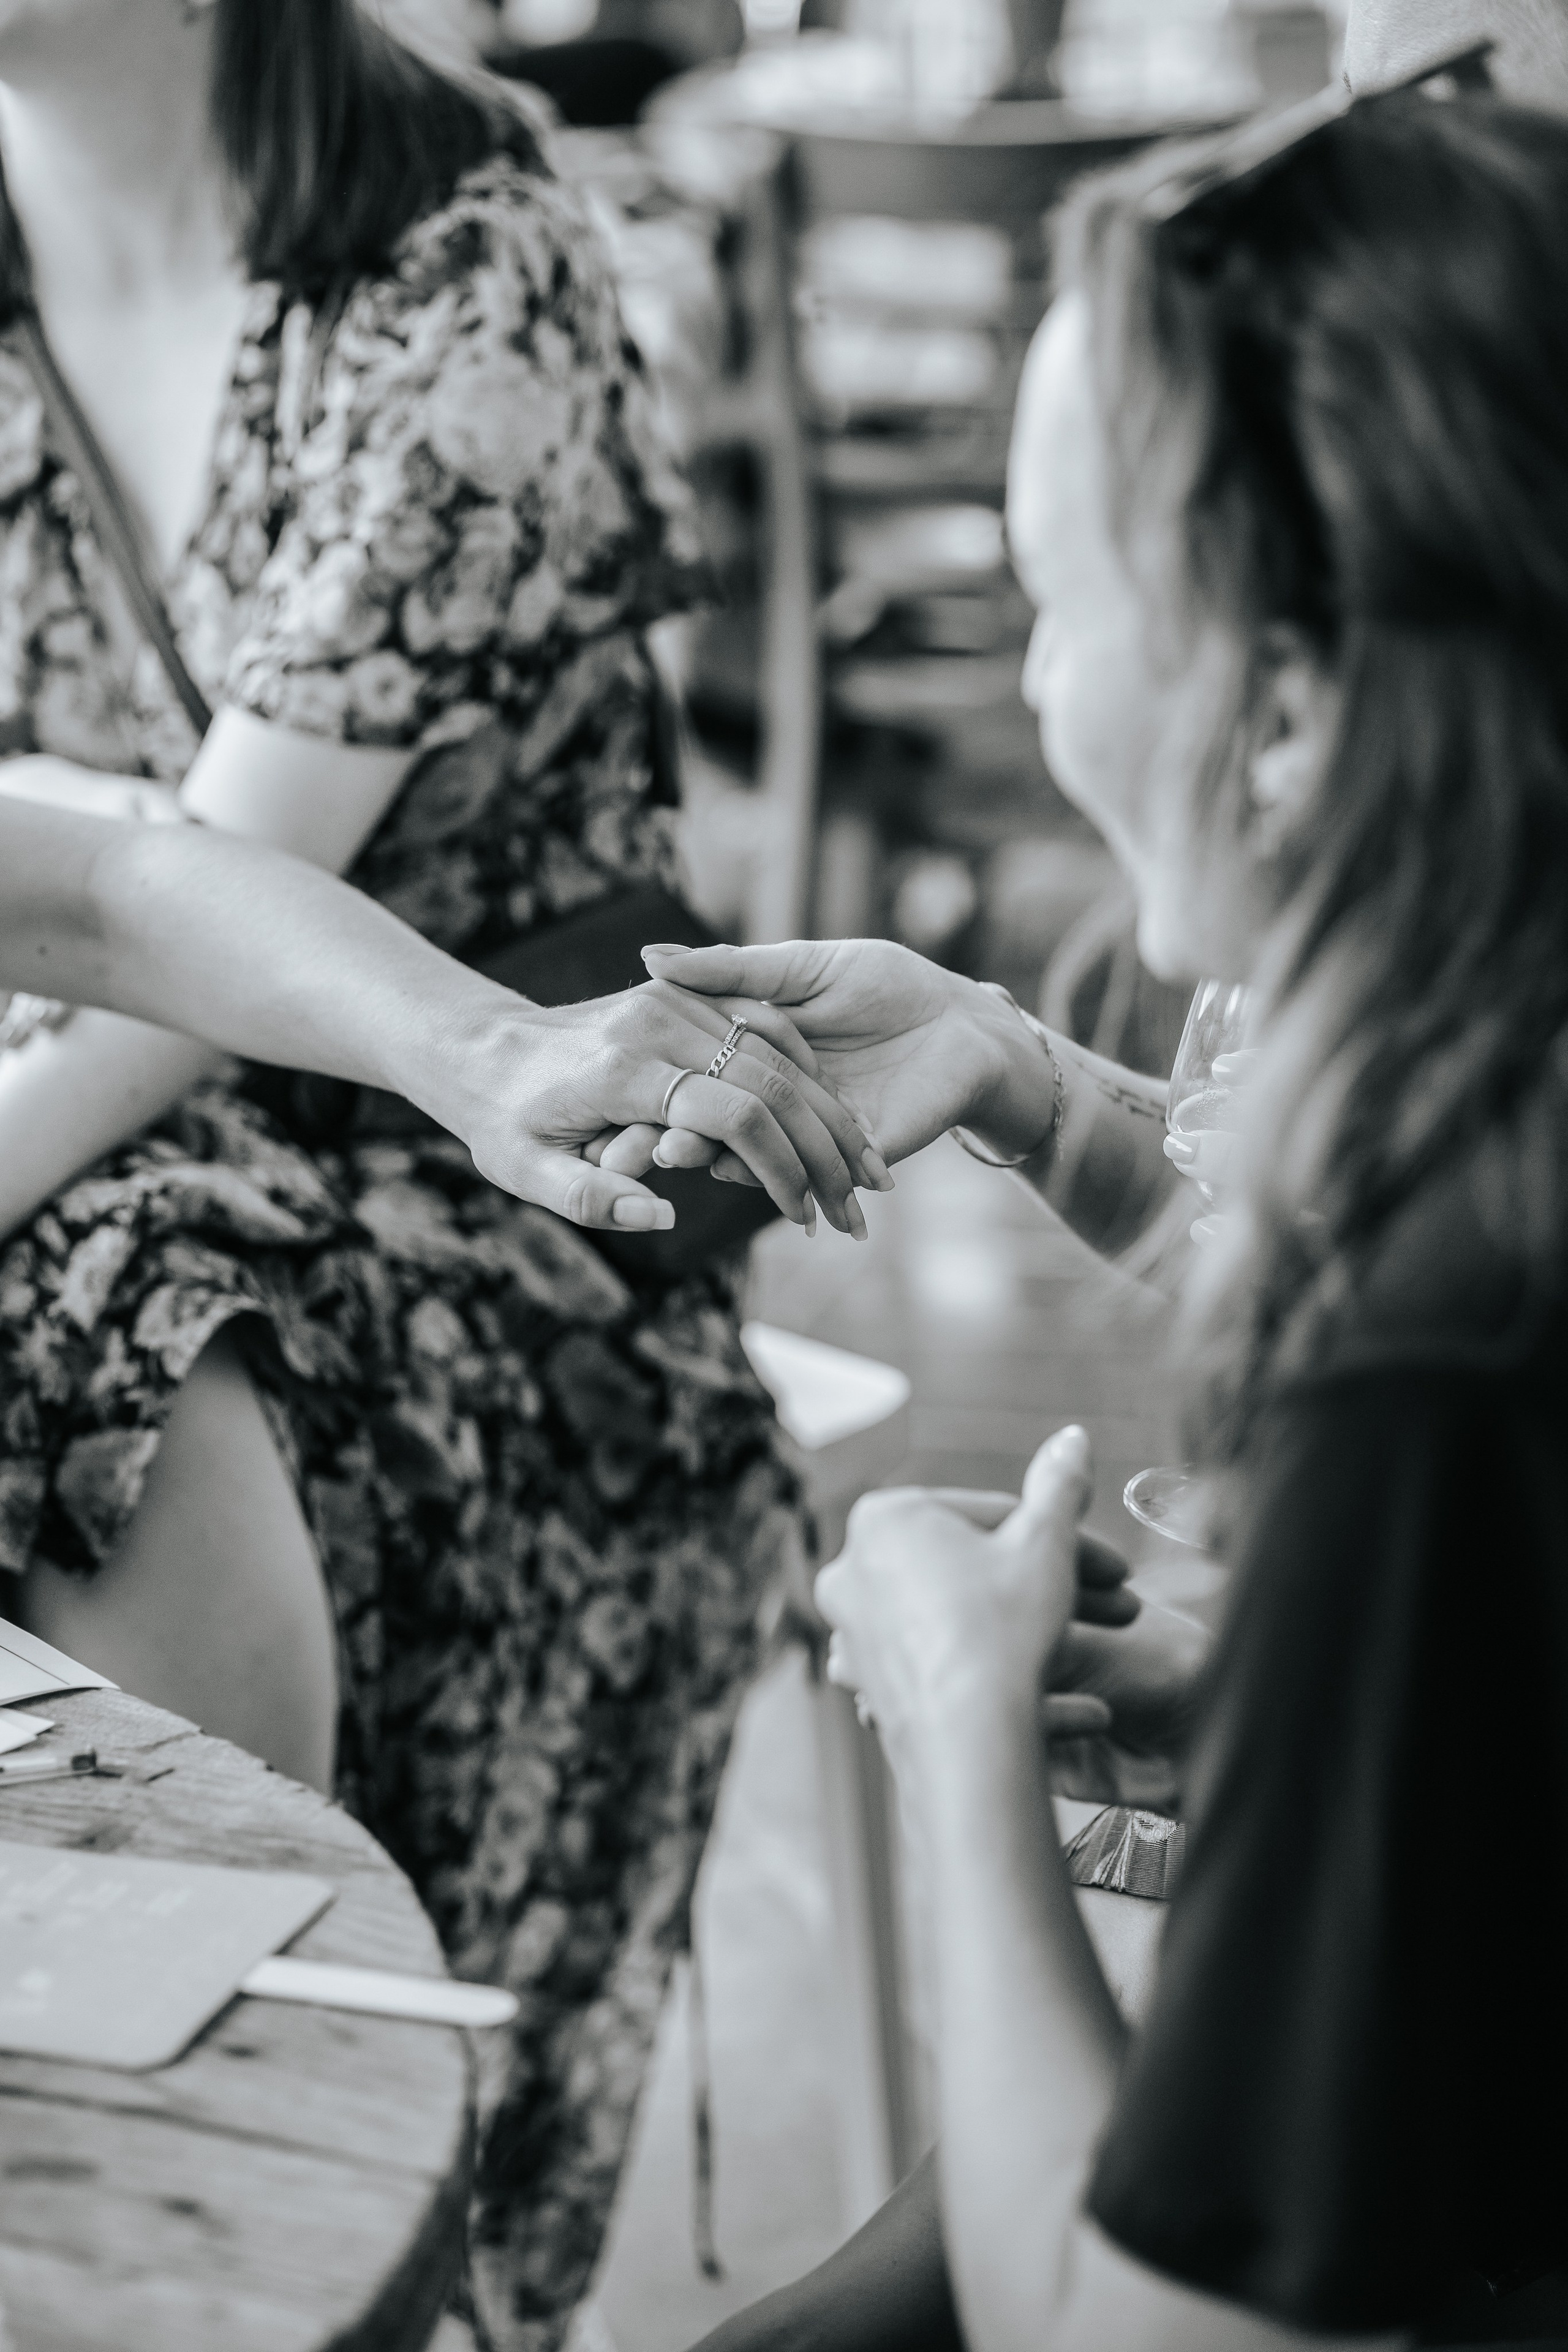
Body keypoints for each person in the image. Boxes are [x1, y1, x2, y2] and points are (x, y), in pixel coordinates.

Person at [660, 56, 1568, 2352]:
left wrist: (967, 1730)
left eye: (1059, 600)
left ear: (1277, 708)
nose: (1042, 687)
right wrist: (1254, 1688)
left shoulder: (1427, 1359)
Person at [0, 6, 878, 2342]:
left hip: (494, 1177)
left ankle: (225, 2189)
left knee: (107, 1306)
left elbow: (167, 926)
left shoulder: (467, 262)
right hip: (98, 1092)